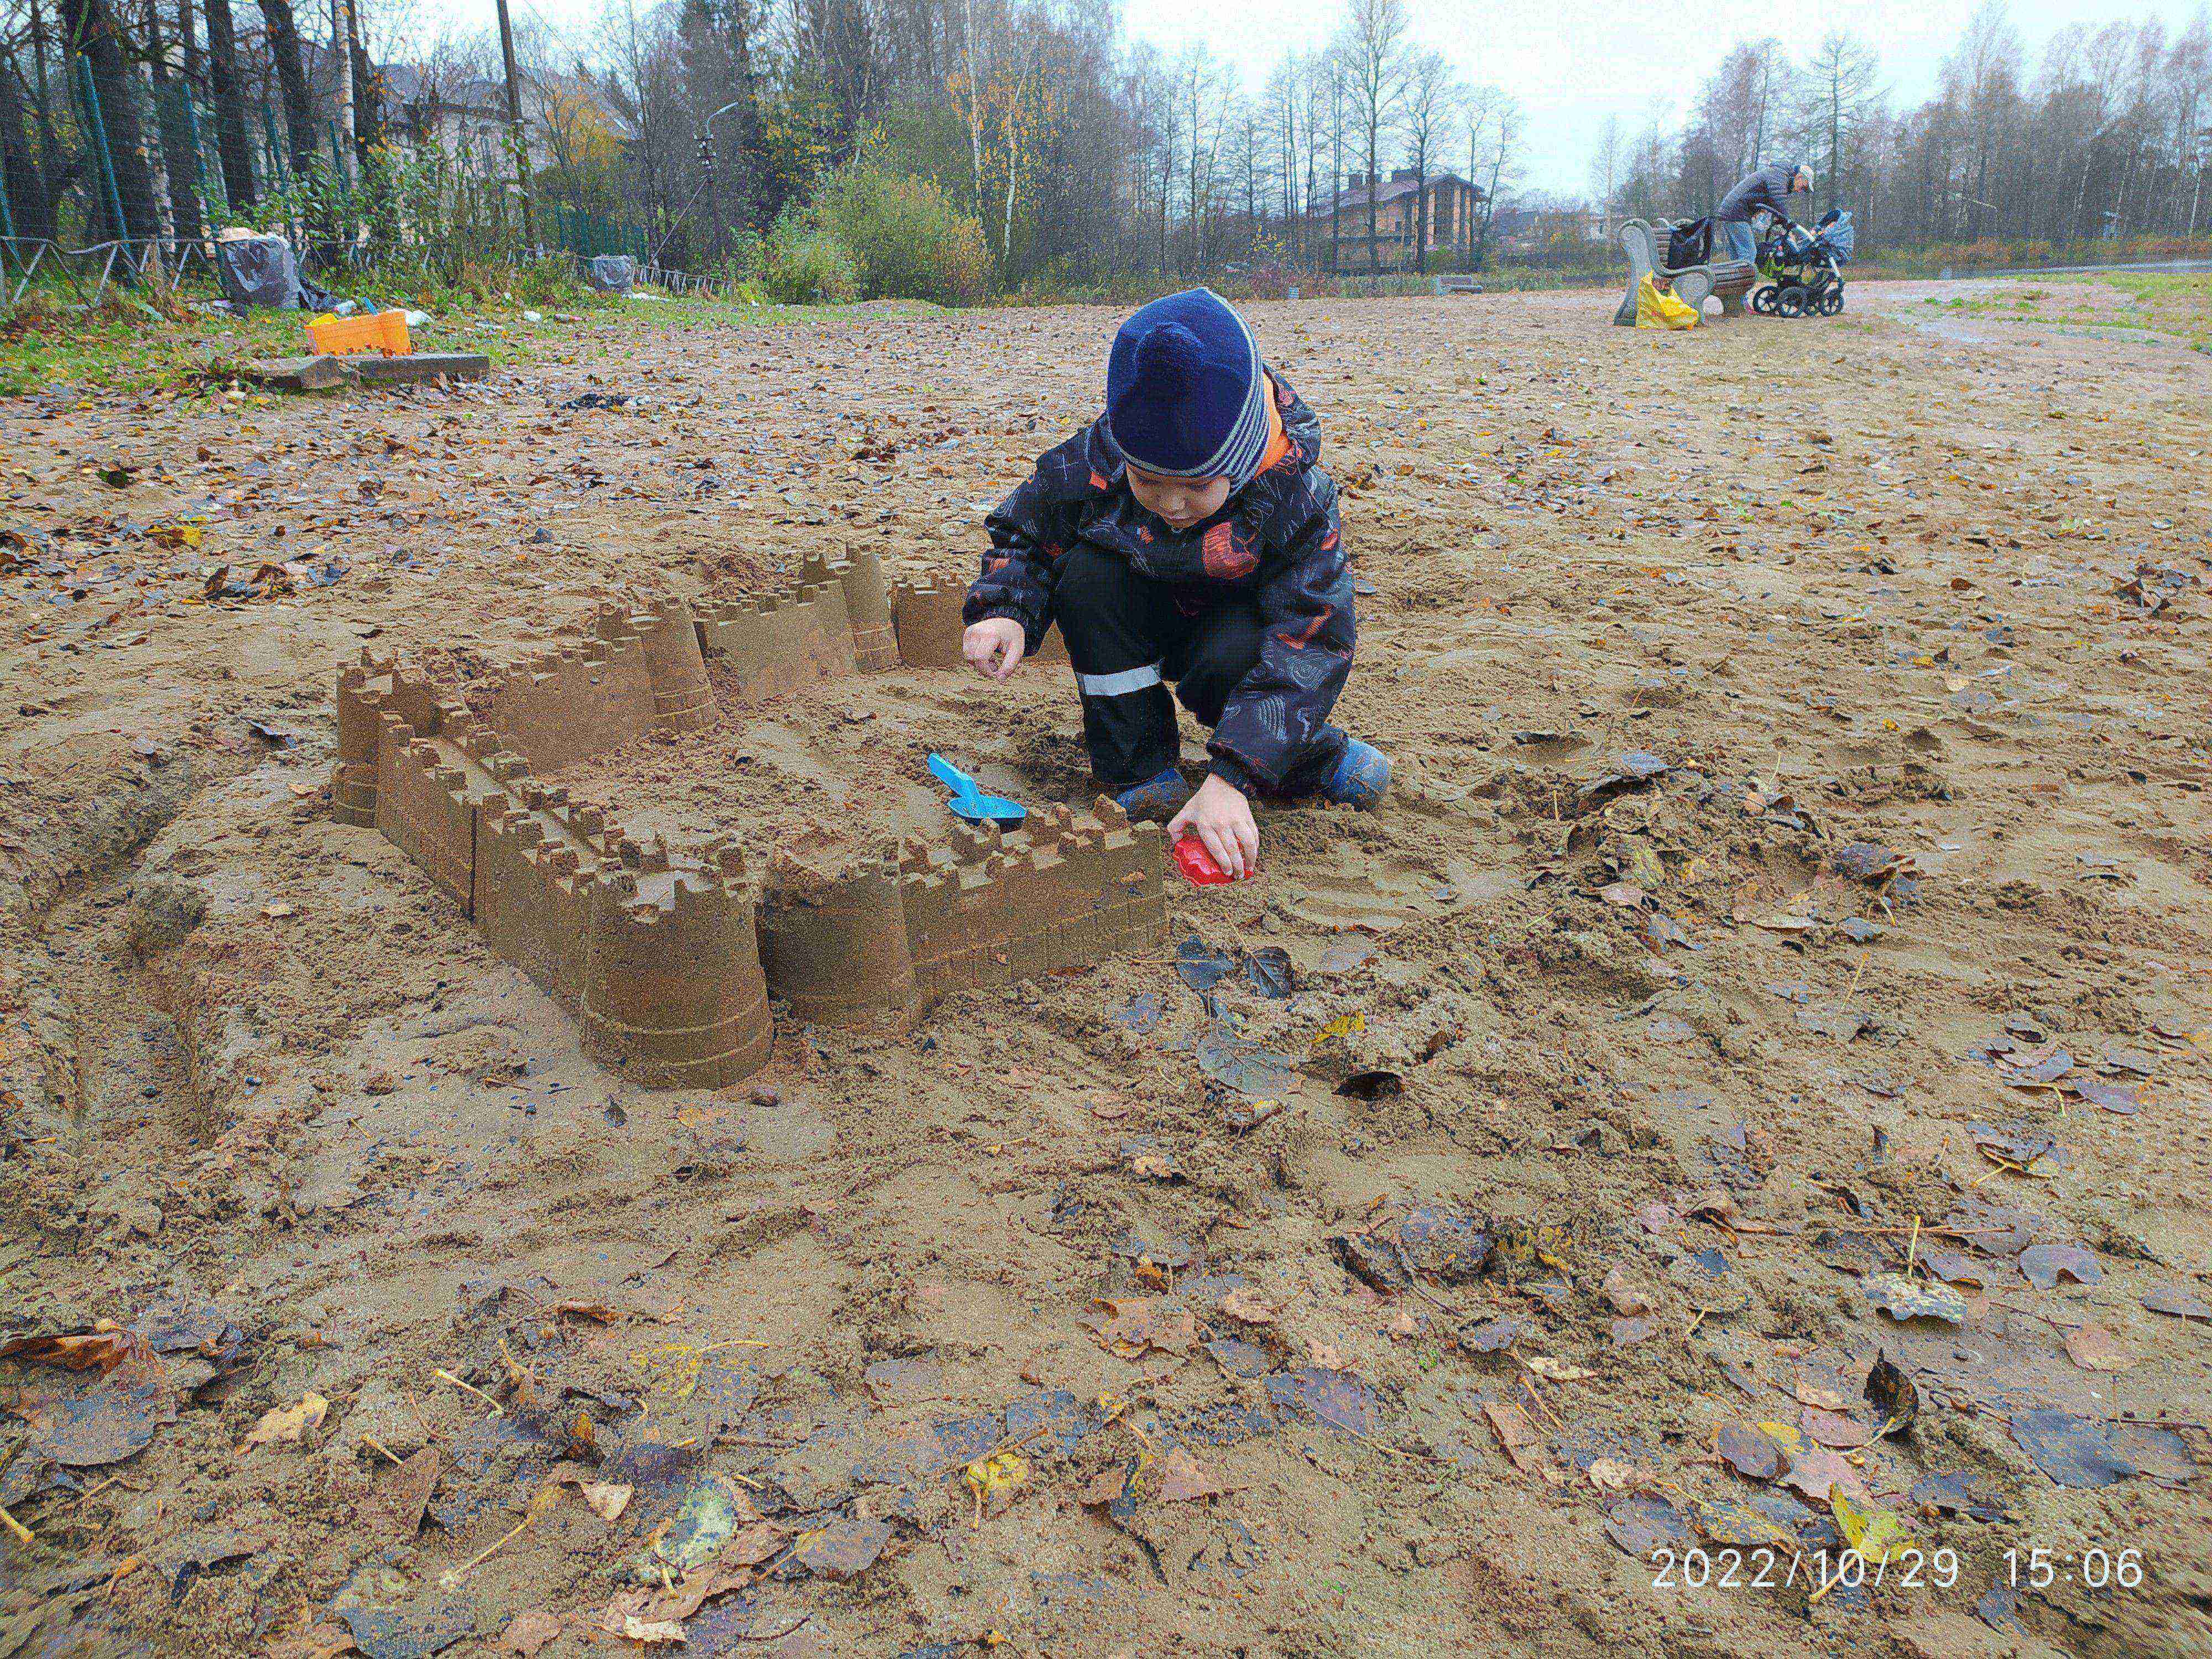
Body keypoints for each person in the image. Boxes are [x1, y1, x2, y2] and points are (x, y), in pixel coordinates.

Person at [960, 287, 1388, 879]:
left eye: (1195, 487)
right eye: (1148, 482)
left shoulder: (1295, 494)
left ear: (1236, 464)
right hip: (1136, 610)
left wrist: (1230, 778)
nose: (1171, 505)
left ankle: (1314, 758)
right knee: (1086, 579)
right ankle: (1139, 770)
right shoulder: (1105, 450)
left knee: (1236, 662)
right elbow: (1027, 528)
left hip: (1229, 634)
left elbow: (1312, 639)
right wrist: (1004, 607)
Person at [1715, 160, 1812, 263]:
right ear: (1799, 177)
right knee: (1749, 255)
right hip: (1736, 212)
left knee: (1736, 258)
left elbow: (1773, 207)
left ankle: (1733, 278)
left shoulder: (1780, 174)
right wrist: (1788, 223)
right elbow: (1778, 202)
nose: (1799, 191)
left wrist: (1782, 225)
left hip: (1731, 211)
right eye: (1803, 187)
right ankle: (1744, 279)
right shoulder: (1780, 175)